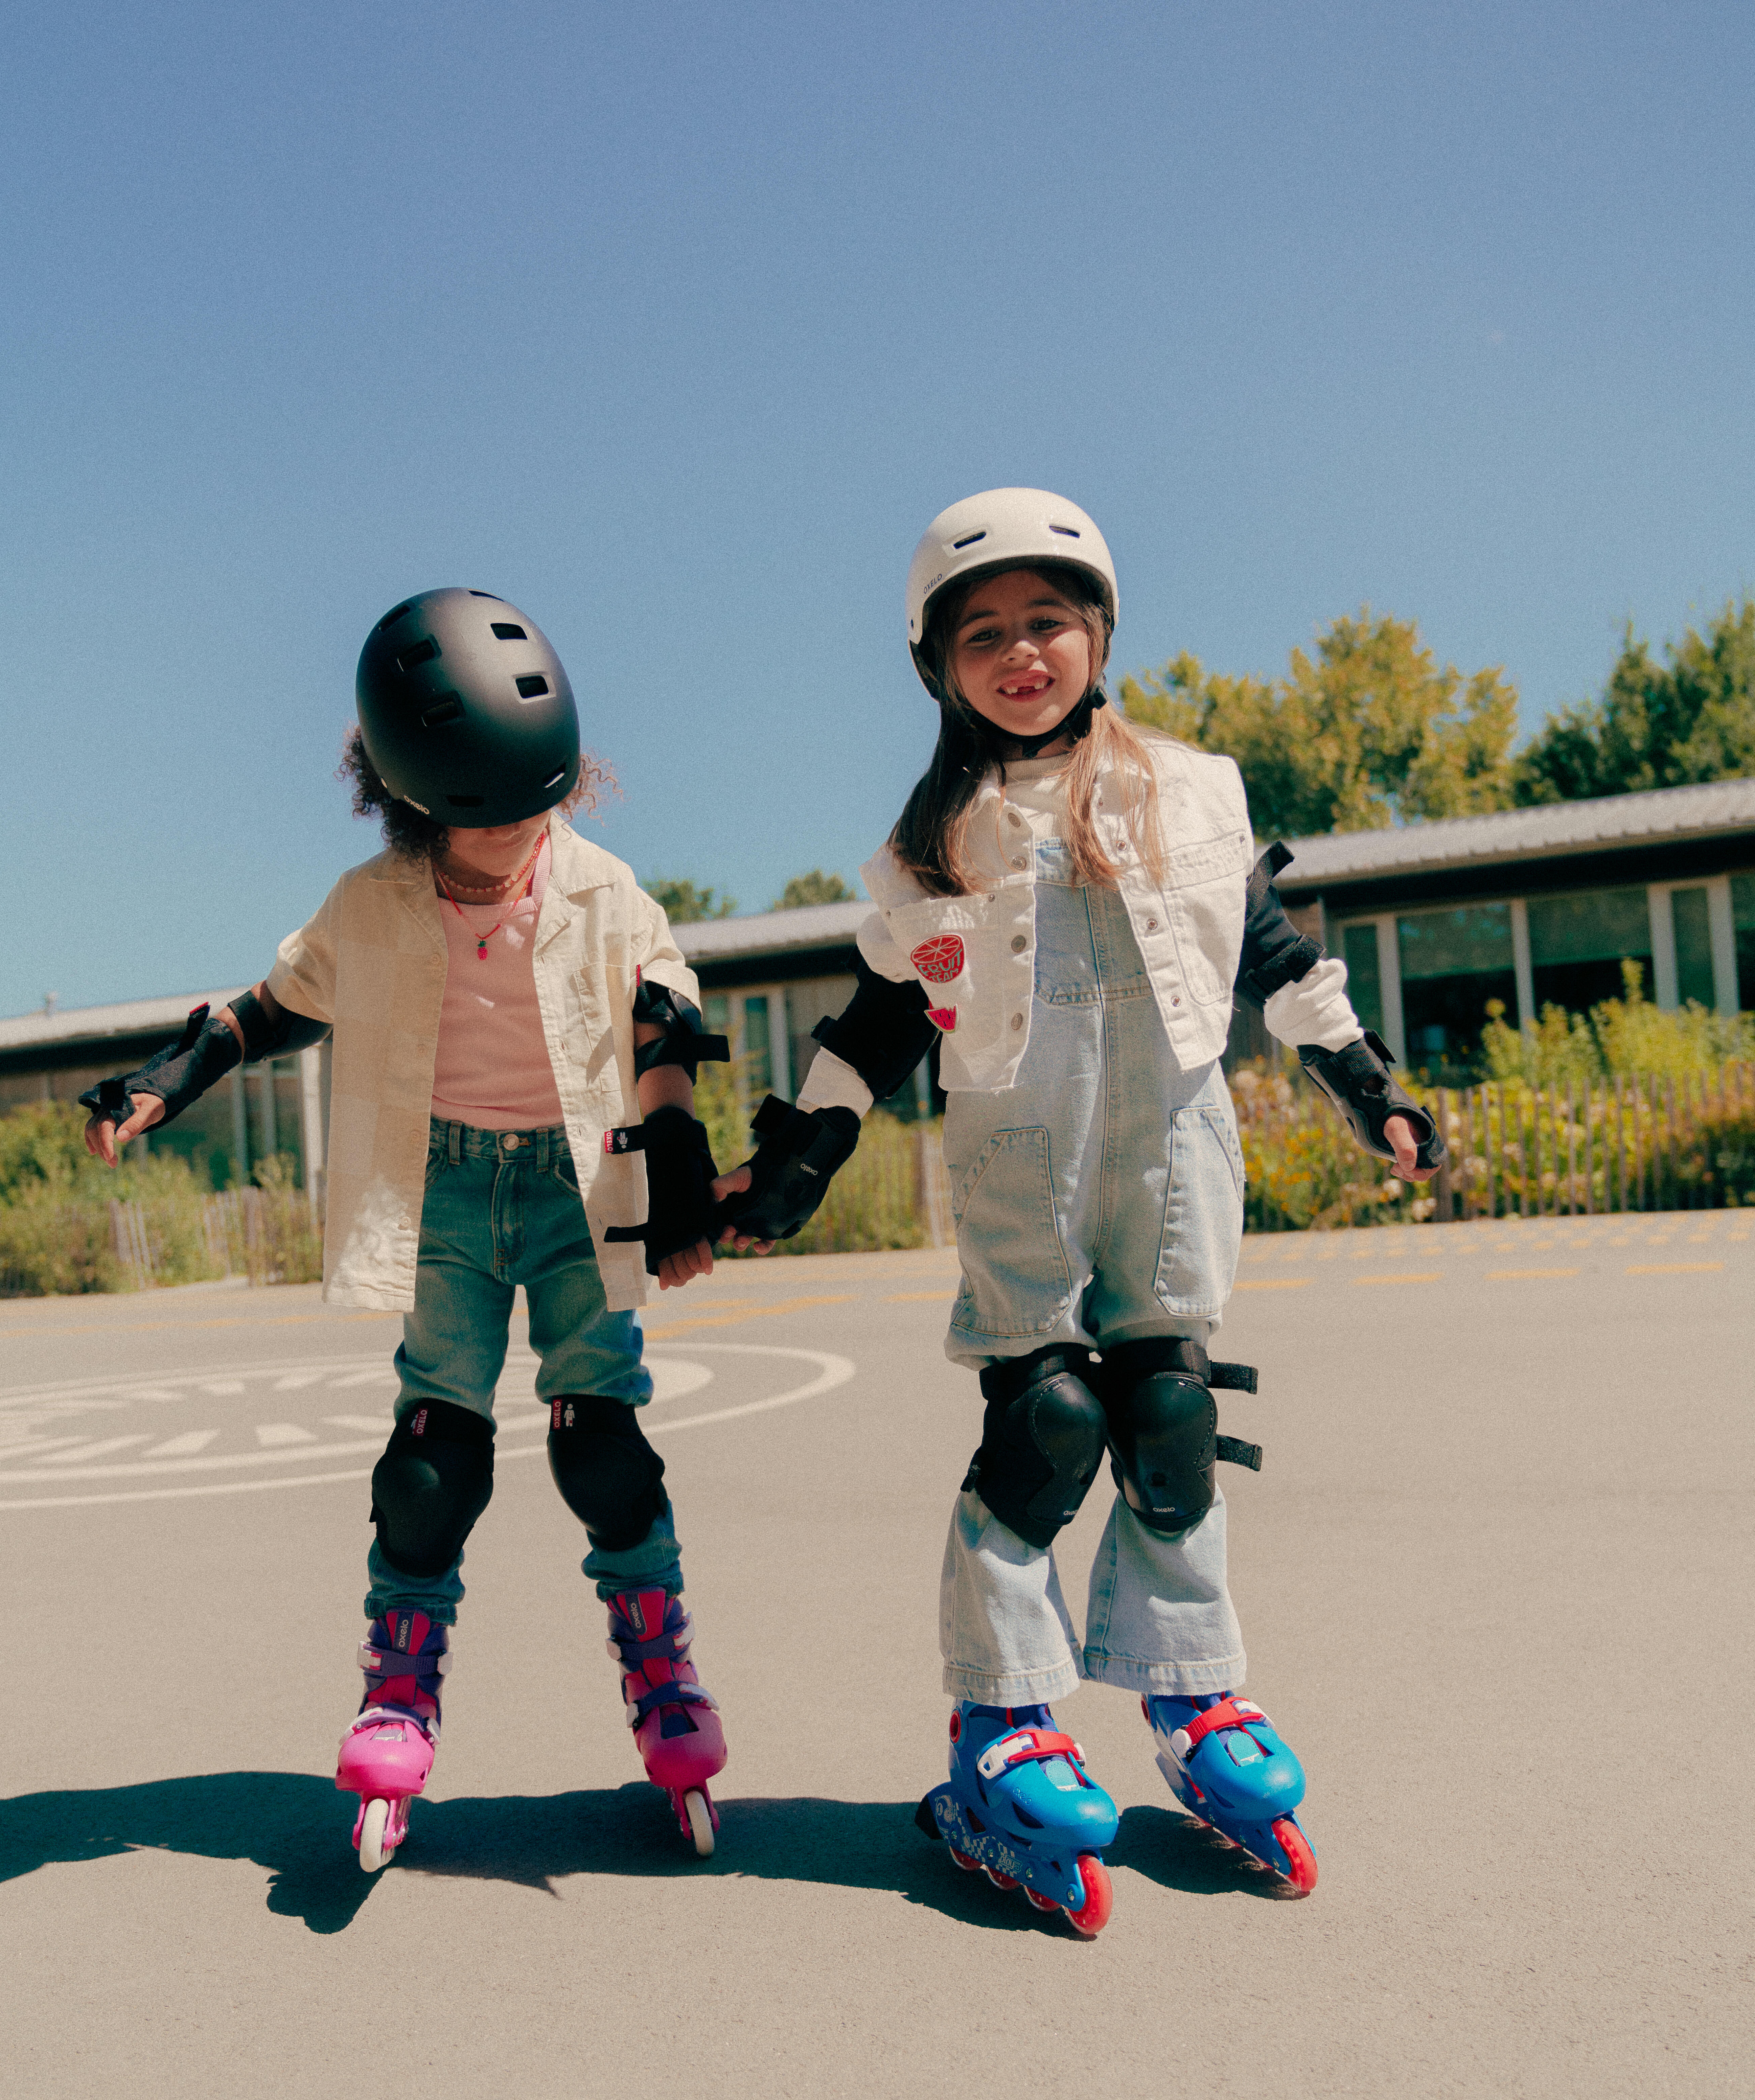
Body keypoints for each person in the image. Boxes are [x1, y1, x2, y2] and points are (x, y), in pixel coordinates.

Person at [715, 491, 1443, 1933]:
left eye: (1047, 618)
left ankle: (1194, 1692)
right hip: (1022, 1173)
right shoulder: (942, 838)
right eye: (983, 631)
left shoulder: (1189, 789)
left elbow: (1277, 958)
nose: (1021, 649)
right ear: (941, 667)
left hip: (1168, 1162)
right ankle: (1000, 1720)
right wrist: (799, 1161)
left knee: (1170, 1419)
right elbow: (877, 1022)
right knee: (1048, 1423)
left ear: (1099, 632)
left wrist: (1368, 1083)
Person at [82, 588, 740, 1868]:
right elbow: (264, 1009)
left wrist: (677, 1147)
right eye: (477, 819)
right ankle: (400, 1681)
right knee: (434, 1445)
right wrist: (166, 1077)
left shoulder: (605, 891)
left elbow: (668, 1022)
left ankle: (661, 1664)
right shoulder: (368, 903)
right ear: (410, 800)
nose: (511, 840)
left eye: (534, 808)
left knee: (601, 1437)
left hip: (583, 1185)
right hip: (436, 1194)